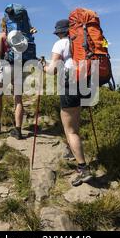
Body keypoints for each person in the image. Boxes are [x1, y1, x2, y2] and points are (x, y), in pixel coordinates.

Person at [41, 19, 93, 186]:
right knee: (75, 125)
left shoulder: (60, 44)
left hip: (69, 82)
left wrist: (43, 66)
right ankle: (74, 151)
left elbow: (52, 70)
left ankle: (83, 168)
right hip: (85, 82)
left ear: (59, 32)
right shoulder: (82, 42)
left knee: (70, 130)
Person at [0, 18, 27, 140]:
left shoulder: (2, 35)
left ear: (4, 24)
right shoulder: (23, 35)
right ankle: (18, 130)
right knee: (18, 99)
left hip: (6, 67)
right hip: (20, 67)